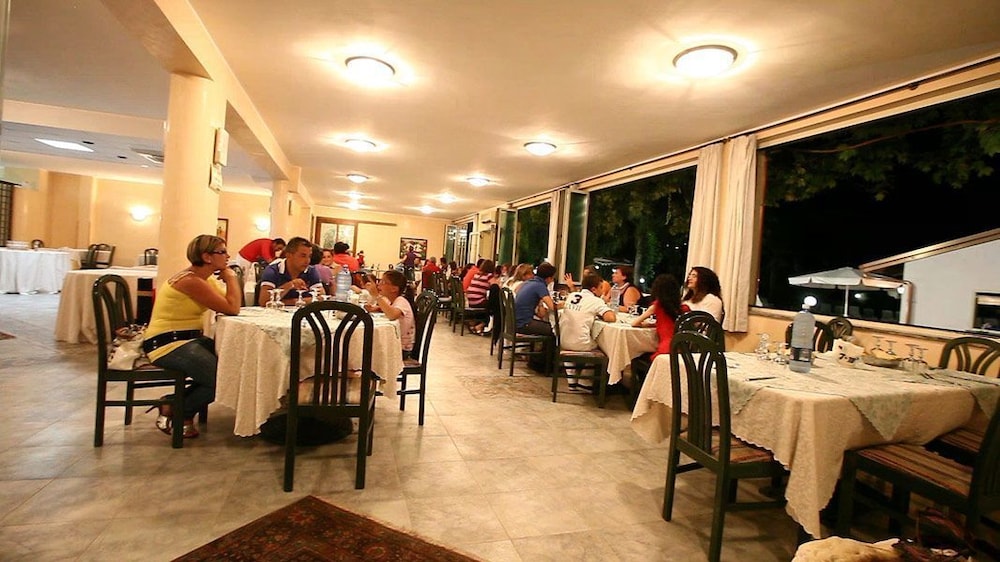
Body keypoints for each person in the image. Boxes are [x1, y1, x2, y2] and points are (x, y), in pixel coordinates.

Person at [142, 234, 242, 439]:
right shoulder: (189, 281)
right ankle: (182, 412)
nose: (227, 256)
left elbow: (231, 303)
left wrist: (229, 280)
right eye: (222, 252)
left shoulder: (204, 279)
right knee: (221, 378)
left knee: (234, 366)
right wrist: (232, 277)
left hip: (189, 340)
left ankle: (172, 404)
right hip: (167, 343)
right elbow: (232, 308)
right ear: (207, 257)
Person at [559, 272, 617, 390]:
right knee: (604, 346)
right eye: (601, 287)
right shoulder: (596, 301)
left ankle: (571, 378)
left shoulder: (572, 295)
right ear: (594, 289)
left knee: (574, 339)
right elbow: (611, 318)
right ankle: (585, 380)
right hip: (581, 345)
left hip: (563, 341)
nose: (602, 290)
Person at [630, 273, 683, 387]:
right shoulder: (683, 307)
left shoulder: (657, 306)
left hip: (665, 348)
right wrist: (656, 324)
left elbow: (634, 323)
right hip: (681, 348)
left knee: (637, 357)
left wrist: (646, 325)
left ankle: (643, 389)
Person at [258, 237, 325, 306]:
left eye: (309, 256)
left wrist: (285, 302)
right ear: (288, 255)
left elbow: (321, 297)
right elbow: (264, 302)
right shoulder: (273, 270)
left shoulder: (311, 270)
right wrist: (290, 285)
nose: (307, 260)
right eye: (303, 256)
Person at [364, 269, 415, 359]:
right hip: (394, 344)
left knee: (366, 349)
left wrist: (377, 296)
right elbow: (386, 308)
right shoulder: (391, 301)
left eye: (383, 282)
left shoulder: (401, 301)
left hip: (401, 348)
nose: (379, 284)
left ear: (394, 289)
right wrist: (375, 308)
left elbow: (392, 315)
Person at [466, 259, 497, 334]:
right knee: (494, 306)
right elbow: (495, 285)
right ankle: (482, 325)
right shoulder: (489, 276)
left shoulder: (477, 275)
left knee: (490, 303)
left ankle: (475, 323)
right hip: (478, 301)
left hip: (471, 301)